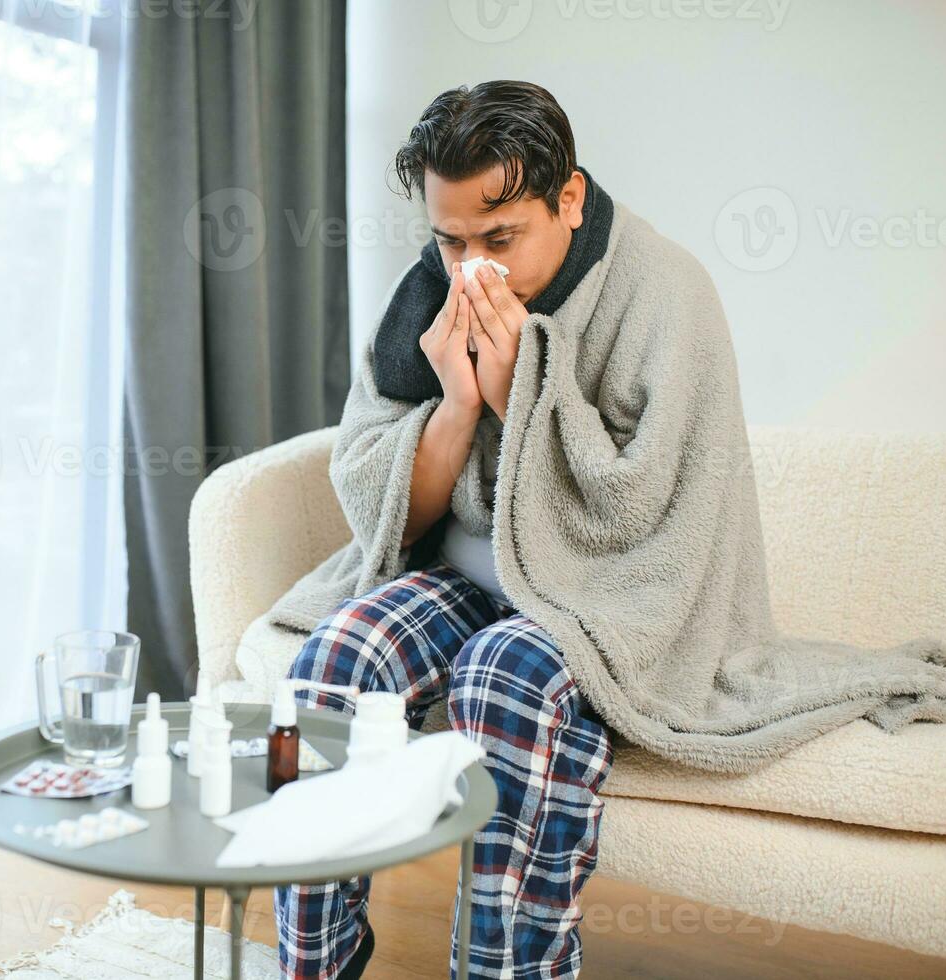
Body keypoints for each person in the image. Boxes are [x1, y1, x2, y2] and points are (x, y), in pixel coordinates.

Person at [276, 80, 617, 980]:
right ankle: (316, 965)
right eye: (450, 239)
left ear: (568, 200)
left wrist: (520, 390)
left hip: (589, 596)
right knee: (332, 661)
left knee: (501, 674)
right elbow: (391, 513)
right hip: (463, 574)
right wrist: (459, 403)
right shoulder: (421, 299)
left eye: (499, 239)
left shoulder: (655, 296)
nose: (473, 270)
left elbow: (638, 514)